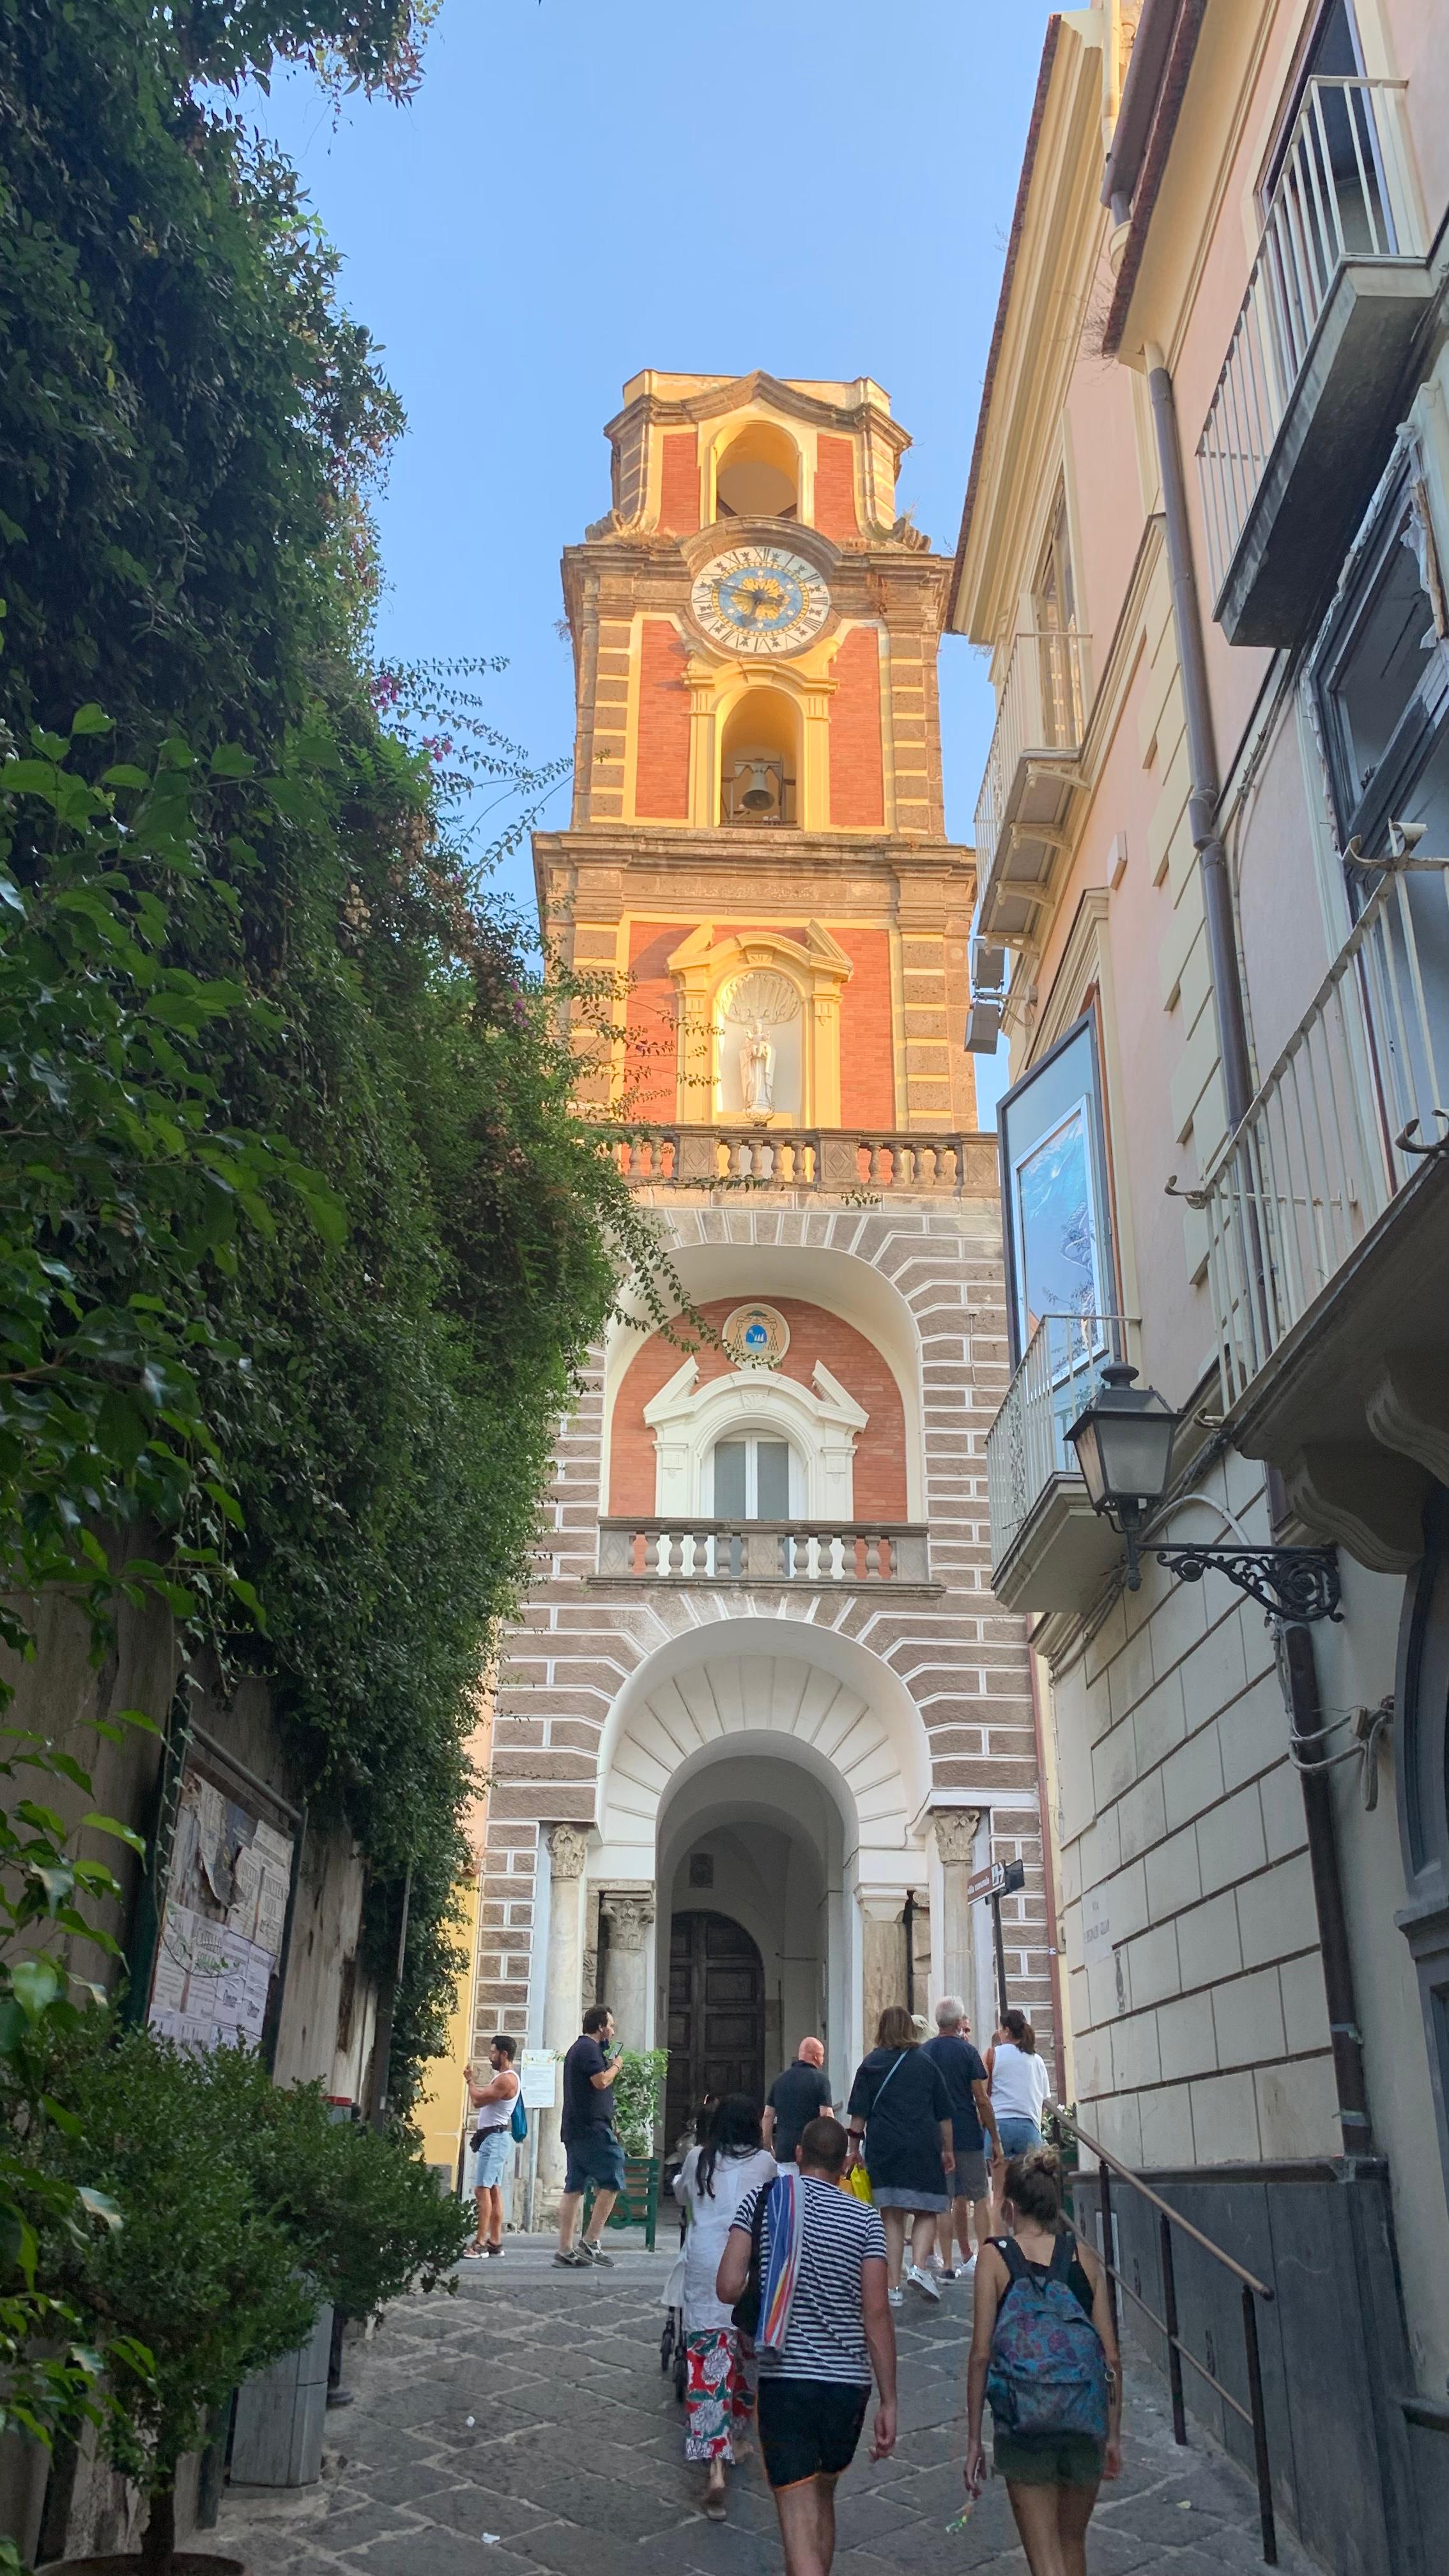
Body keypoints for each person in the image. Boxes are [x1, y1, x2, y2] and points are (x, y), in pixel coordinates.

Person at [717, 2115, 896, 2576]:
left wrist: (775, 2275)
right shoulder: (866, 2220)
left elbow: (727, 2286)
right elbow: (876, 2313)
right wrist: (890, 2401)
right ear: (844, 2164)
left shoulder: (764, 2202)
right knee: (822, 2499)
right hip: (848, 2388)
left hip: (787, 2380)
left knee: (797, 2521)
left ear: (798, 2155)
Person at [965, 2145, 1121, 2576]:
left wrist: (974, 2440)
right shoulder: (1086, 2259)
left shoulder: (995, 2259)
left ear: (1009, 2208)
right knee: (1072, 2543)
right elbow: (1109, 2356)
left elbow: (981, 2355)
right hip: (1084, 2420)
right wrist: (1113, 2434)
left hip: (1024, 2423)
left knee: (1044, 2558)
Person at [672, 2092, 778, 2520]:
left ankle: (714, 2464)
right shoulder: (766, 2164)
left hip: (705, 2265)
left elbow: (682, 2197)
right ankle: (735, 2436)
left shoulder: (699, 2157)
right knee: (745, 2356)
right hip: (749, 2266)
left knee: (707, 2361)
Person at [845, 2004, 954, 2308]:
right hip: (923, 2146)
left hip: (884, 2148)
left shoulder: (871, 2064)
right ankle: (919, 2266)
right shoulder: (927, 2064)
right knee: (927, 2208)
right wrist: (948, 2149)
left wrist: (853, 2152)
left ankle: (893, 2286)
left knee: (890, 2216)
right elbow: (944, 2115)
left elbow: (858, 2116)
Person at [923, 1997, 1000, 2280]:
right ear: (958, 2023)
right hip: (967, 2131)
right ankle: (985, 2259)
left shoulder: (925, 2052)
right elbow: (981, 2099)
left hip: (936, 2137)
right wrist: (995, 2137)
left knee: (943, 2200)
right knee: (980, 2196)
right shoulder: (968, 2052)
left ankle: (946, 2263)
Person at [555, 2003, 625, 2269]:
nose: (613, 2030)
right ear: (600, 2027)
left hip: (575, 2128)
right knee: (614, 2174)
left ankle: (564, 2250)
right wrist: (616, 2066)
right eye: (610, 2025)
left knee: (574, 2187)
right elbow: (601, 2082)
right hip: (591, 2129)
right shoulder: (589, 2049)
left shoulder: (579, 2049)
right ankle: (591, 2241)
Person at [463, 2034, 520, 2258]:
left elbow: (477, 2100)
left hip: (494, 2139)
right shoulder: (505, 2078)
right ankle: (495, 2241)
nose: (490, 2056)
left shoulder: (506, 2080)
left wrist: (470, 2081)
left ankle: (480, 2243)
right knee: (494, 2190)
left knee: (482, 2189)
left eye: (493, 2052)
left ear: (504, 2054)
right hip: (494, 2138)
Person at [988, 2009, 1054, 2161]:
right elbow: (1043, 2101)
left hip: (999, 2125)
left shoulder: (993, 2054)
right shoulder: (1036, 2060)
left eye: (1000, 2028)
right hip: (1028, 2126)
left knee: (999, 2183)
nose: (998, 2032)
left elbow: (982, 2094)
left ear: (1007, 2031)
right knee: (1029, 2181)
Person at [763, 2036, 832, 2175]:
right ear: (817, 2057)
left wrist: (768, 2145)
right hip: (812, 2154)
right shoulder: (821, 2080)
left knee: (790, 2193)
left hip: (785, 2152)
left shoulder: (779, 2080)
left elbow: (768, 2115)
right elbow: (826, 2116)